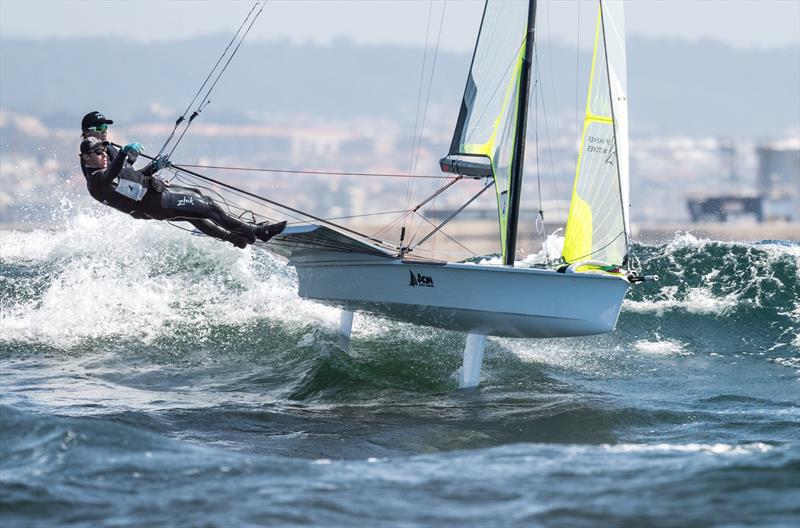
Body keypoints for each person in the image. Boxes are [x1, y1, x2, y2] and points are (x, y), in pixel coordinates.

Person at [79, 136, 285, 248]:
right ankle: (258, 232)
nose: (104, 155)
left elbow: (136, 178)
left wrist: (155, 167)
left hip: (153, 201)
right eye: (98, 153)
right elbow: (112, 172)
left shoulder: (104, 174)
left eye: (104, 151)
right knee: (209, 208)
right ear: (86, 157)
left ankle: (237, 239)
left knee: (197, 210)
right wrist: (122, 154)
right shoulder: (97, 180)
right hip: (157, 202)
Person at [80, 111, 120, 178]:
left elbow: (124, 170)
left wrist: (131, 159)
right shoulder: (89, 154)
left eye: (105, 127)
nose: (104, 131)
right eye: (100, 128)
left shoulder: (107, 146)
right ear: (87, 131)